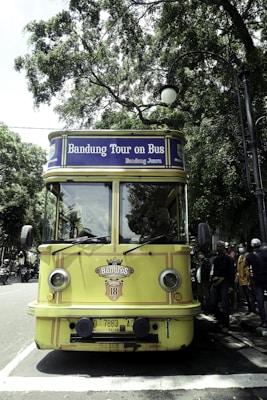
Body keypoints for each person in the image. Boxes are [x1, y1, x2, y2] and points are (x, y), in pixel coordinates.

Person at [210, 240, 235, 333]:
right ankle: (220, 318)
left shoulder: (228, 259)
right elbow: (213, 271)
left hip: (225, 282)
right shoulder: (215, 259)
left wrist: (231, 285)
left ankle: (225, 324)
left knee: (225, 304)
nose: (219, 248)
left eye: (220, 246)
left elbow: (231, 272)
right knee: (213, 303)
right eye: (217, 246)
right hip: (216, 281)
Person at [245, 238, 267, 328]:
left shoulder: (250, 256)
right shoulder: (265, 253)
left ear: (252, 246)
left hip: (258, 281)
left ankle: (264, 321)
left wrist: (249, 281)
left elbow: (247, 270)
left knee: (260, 301)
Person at [236, 242, 257, 315]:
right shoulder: (240, 257)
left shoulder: (248, 256)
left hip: (247, 279)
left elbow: (249, 268)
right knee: (246, 295)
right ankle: (250, 309)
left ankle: (253, 309)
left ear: (245, 248)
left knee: (250, 295)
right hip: (242, 279)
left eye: (241, 247)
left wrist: (250, 279)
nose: (240, 249)